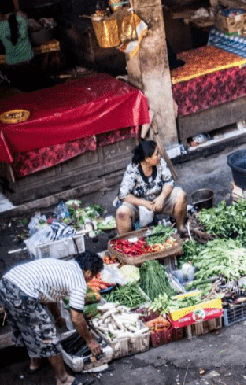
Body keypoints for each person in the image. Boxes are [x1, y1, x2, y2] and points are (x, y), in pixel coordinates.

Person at [0, 251, 104, 385]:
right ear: (88, 272)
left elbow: (49, 295)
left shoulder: (64, 265)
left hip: (6, 284)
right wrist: (90, 341)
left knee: (26, 326)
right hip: (23, 293)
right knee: (49, 336)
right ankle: (63, 379)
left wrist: (57, 316)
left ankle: (35, 363)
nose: (93, 278)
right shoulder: (78, 281)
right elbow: (76, 318)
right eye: (94, 275)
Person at [116, 140, 187, 235]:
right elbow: (123, 195)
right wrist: (145, 203)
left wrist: (161, 197)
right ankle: (127, 243)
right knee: (122, 212)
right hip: (139, 205)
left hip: (158, 201)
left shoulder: (160, 163)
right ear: (147, 159)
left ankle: (180, 229)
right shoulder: (133, 169)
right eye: (156, 154)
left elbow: (169, 182)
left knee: (181, 195)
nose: (159, 156)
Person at [0, 0, 34, 91]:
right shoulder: (22, 20)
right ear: (13, 7)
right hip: (29, 63)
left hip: (14, 67)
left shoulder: (1, 26)